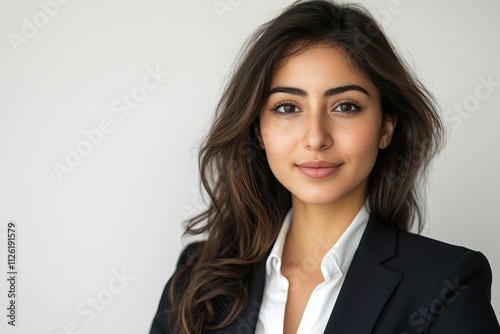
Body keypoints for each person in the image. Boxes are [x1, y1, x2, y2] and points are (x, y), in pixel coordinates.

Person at [150, 1, 500, 333]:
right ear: (258, 129)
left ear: (386, 128)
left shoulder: (447, 284)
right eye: (288, 107)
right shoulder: (198, 276)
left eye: (345, 106)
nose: (316, 138)